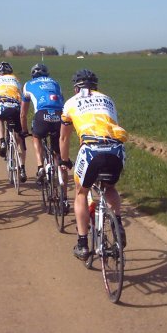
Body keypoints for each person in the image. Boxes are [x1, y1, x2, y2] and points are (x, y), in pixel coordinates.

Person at [59, 69, 128, 260]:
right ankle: (118, 224)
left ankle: (82, 243)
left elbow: (64, 137)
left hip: (91, 150)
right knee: (110, 187)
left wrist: (64, 161)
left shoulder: (71, 102)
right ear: (95, 87)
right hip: (116, 149)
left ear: (76, 88)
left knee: (81, 193)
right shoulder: (108, 99)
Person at [20, 63, 69, 207]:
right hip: (59, 116)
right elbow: (63, 101)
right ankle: (64, 198)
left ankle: (40, 166)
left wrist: (24, 130)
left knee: (37, 136)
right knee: (59, 156)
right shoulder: (55, 83)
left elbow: (23, 113)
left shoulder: (28, 85)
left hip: (41, 116)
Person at [0, 61, 27, 182]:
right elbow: (22, 98)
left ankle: (2, 141)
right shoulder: (16, 80)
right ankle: (22, 168)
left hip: (3, 106)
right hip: (16, 108)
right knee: (20, 138)